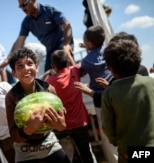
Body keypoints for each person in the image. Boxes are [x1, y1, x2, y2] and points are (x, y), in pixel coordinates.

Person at [5, 47, 70, 163]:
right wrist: (29, 128)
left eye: (30, 64)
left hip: (49, 142)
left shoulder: (49, 90)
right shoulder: (11, 97)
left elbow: (61, 126)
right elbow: (15, 137)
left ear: (37, 67)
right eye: (20, 66)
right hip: (24, 149)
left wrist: (60, 126)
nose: (26, 69)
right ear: (14, 73)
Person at [101, 35, 154, 163]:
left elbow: (108, 128)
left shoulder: (109, 93)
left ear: (110, 68)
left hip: (128, 153)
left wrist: (117, 143)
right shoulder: (150, 82)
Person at [45, 50, 96, 163]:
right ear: (67, 61)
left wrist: (47, 74)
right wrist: (69, 55)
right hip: (80, 123)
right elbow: (76, 66)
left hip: (62, 125)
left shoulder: (50, 81)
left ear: (53, 66)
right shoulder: (74, 71)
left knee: (67, 157)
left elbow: (43, 90)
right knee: (86, 154)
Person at [0, 0, 75, 72]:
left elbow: (67, 26)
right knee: (48, 75)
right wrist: (8, 60)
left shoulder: (49, 10)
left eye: (24, 4)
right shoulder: (26, 22)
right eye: (20, 6)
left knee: (67, 71)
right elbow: (19, 41)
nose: (23, 9)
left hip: (62, 44)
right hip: (50, 49)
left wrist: (67, 45)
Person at [80, 25, 116, 163]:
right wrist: (88, 46)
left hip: (99, 99)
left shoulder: (87, 61)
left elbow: (78, 70)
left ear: (89, 43)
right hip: (114, 94)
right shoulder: (110, 51)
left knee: (107, 136)